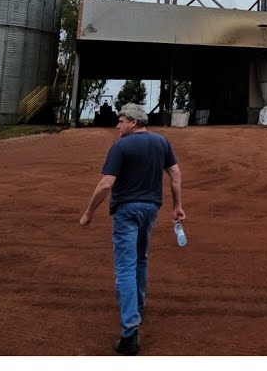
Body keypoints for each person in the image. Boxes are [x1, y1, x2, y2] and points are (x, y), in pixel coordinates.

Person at [80, 102, 185, 355]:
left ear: (133, 122)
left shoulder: (121, 146)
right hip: (150, 209)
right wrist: (177, 206)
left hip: (126, 211)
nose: (117, 126)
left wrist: (88, 212)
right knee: (141, 260)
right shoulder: (162, 142)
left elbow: (106, 184)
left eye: (121, 120)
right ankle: (138, 304)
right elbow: (176, 173)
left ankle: (130, 332)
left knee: (125, 267)